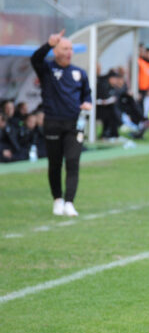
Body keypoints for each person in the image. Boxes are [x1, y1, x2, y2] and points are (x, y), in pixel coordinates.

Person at [30, 29, 92, 216]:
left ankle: (69, 202)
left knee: (73, 162)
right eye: (65, 48)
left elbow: (86, 93)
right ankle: (57, 199)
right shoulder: (47, 70)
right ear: (56, 51)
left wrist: (87, 102)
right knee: (55, 163)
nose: (68, 52)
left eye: (71, 49)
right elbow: (35, 59)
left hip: (74, 124)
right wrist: (48, 44)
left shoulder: (79, 73)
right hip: (53, 122)